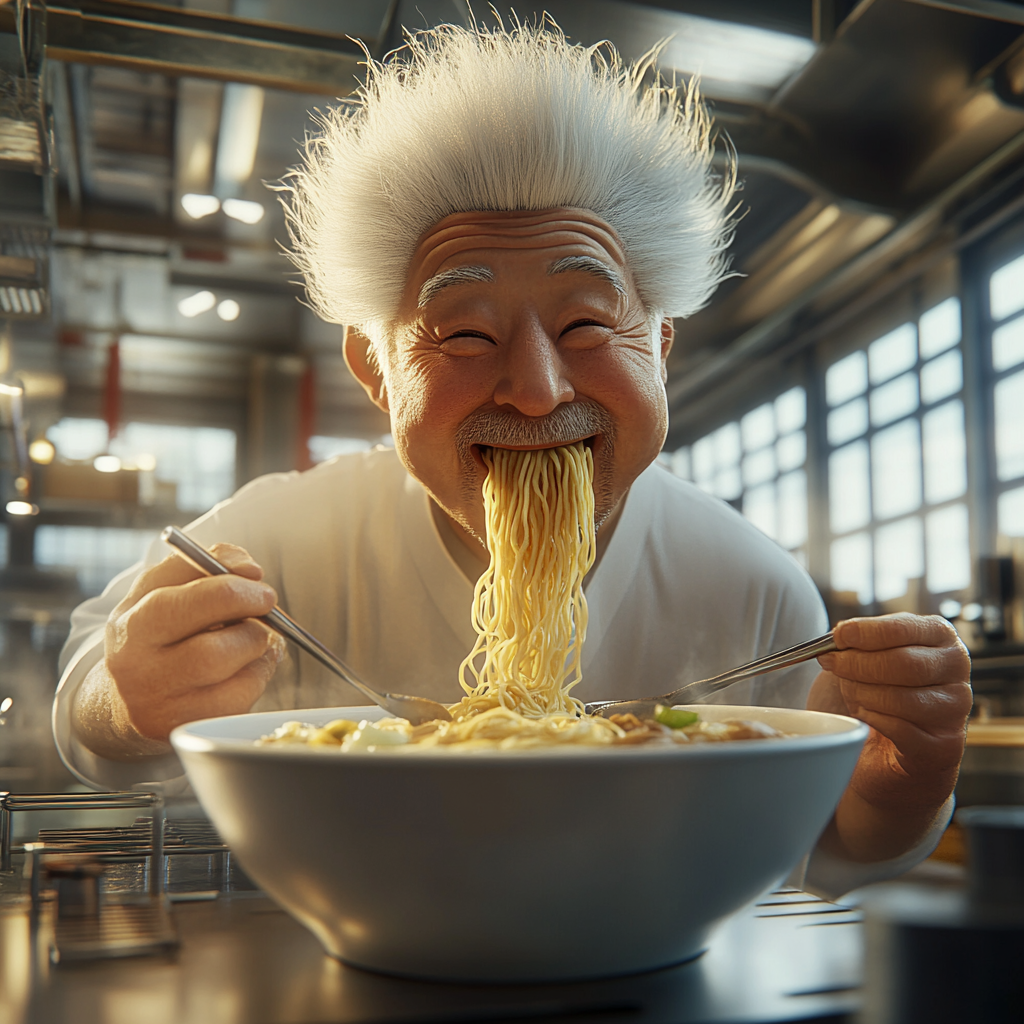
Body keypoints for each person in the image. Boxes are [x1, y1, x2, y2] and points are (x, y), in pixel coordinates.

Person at [53, 22, 971, 897]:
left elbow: (829, 848)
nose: (536, 390)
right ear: (375, 369)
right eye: (462, 334)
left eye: (584, 323)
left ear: (660, 343)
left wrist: (901, 782)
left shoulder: (750, 586)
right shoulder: (282, 539)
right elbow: (85, 708)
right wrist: (125, 697)